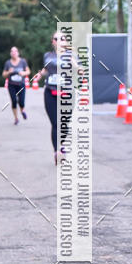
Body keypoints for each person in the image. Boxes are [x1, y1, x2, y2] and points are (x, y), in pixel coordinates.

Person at [33, 31, 80, 164]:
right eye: (56, 38)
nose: (59, 41)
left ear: (66, 41)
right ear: (52, 42)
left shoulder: (72, 55)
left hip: (67, 93)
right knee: (55, 123)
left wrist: (74, 64)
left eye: (62, 38)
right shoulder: (47, 55)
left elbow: (80, 71)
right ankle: (57, 151)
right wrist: (40, 74)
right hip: (50, 92)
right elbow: (46, 69)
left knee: (64, 124)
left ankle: (61, 146)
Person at [2, 46, 30, 124]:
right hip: (12, 85)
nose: (13, 53)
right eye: (12, 51)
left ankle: (22, 111)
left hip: (21, 85)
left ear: (18, 53)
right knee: (14, 101)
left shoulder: (23, 61)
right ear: (10, 53)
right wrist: (8, 72)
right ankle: (16, 118)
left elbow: (28, 71)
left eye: (15, 51)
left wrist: (23, 73)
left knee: (21, 102)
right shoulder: (8, 63)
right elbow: (3, 74)